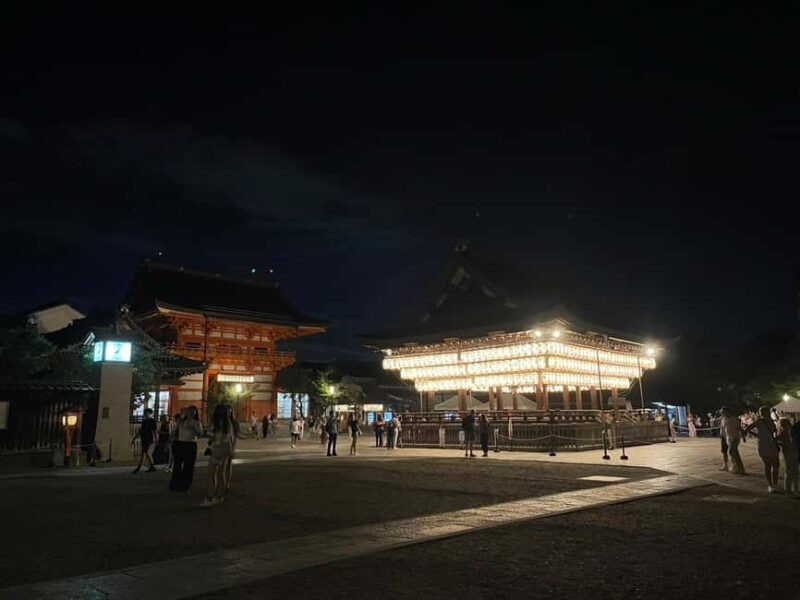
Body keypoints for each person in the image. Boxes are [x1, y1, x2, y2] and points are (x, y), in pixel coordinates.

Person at [201, 404, 235, 507]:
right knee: (221, 473)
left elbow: (214, 437)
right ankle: (219, 496)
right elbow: (230, 437)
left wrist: (208, 434)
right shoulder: (228, 423)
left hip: (217, 448)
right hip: (226, 449)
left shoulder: (216, 422)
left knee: (212, 474)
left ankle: (210, 497)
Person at [744, 406, 781, 493]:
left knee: (775, 465)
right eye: (763, 412)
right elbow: (747, 429)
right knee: (768, 465)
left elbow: (775, 432)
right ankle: (771, 485)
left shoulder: (772, 421)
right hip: (764, 445)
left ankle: (774, 484)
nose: (764, 413)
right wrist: (758, 435)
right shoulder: (760, 421)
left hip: (771, 444)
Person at [169, 406, 204, 492]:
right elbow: (173, 430)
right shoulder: (181, 421)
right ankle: (175, 483)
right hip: (181, 443)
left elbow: (200, 434)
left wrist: (194, 429)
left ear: (195, 413)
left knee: (188, 465)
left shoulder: (196, 422)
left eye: (193, 411)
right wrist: (171, 439)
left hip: (190, 444)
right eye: (189, 411)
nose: (191, 413)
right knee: (177, 464)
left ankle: (185, 484)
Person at [719, 407, 745, 474]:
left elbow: (740, 428)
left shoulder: (734, 419)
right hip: (728, 438)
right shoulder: (724, 419)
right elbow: (724, 428)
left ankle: (741, 468)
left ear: (728, 412)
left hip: (735, 437)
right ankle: (735, 467)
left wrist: (743, 437)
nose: (722, 413)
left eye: (723, 412)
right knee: (732, 453)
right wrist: (723, 436)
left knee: (733, 452)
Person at [777, 417, 798, 496]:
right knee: (790, 471)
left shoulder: (789, 430)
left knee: (794, 471)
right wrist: (784, 444)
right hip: (788, 453)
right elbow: (775, 440)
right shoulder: (783, 431)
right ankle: (789, 489)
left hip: (793, 452)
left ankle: (794, 488)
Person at [132, 408, 157, 473]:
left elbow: (154, 431)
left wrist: (156, 439)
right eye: (145, 413)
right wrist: (135, 437)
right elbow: (141, 430)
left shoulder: (152, 421)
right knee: (144, 453)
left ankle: (148, 466)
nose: (145, 414)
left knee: (146, 452)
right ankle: (145, 466)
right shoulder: (144, 421)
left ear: (149, 413)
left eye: (146, 413)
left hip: (148, 438)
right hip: (144, 438)